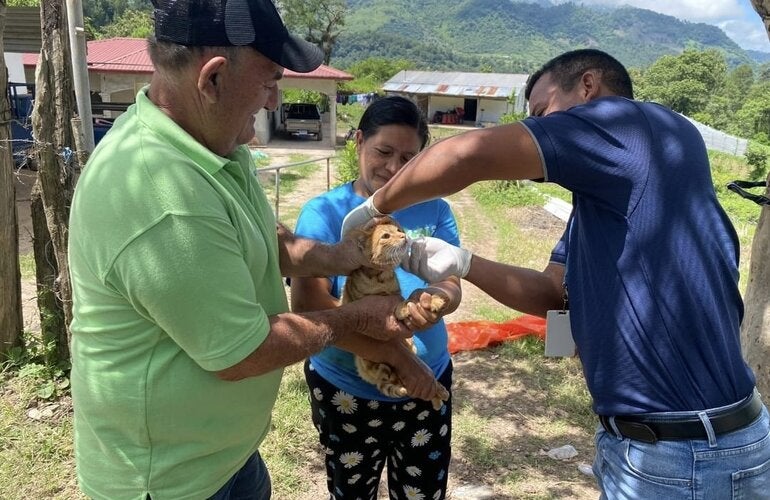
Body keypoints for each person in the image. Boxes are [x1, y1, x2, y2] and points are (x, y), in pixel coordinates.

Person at [341, 49, 770, 499]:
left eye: (543, 113)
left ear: (588, 87)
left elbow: (465, 156)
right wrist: (465, 264)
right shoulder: (600, 203)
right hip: (649, 445)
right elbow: (553, 295)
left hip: (688, 452)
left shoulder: (636, 126)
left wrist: (374, 207)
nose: (539, 128)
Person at [66, 2, 437, 499]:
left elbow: (266, 237)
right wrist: (357, 318)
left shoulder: (214, 148)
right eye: (268, 83)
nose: (271, 101)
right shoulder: (164, 195)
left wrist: (341, 256)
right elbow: (240, 353)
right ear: (213, 79)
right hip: (174, 481)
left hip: (222, 455)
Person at [291, 96, 462, 500]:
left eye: (408, 157)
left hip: (428, 379)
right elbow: (310, 309)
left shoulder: (435, 209)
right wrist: (399, 357)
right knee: (351, 492)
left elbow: (452, 283)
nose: (393, 168)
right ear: (359, 142)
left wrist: (434, 298)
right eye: (383, 152)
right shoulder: (326, 213)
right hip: (347, 389)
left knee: (422, 493)